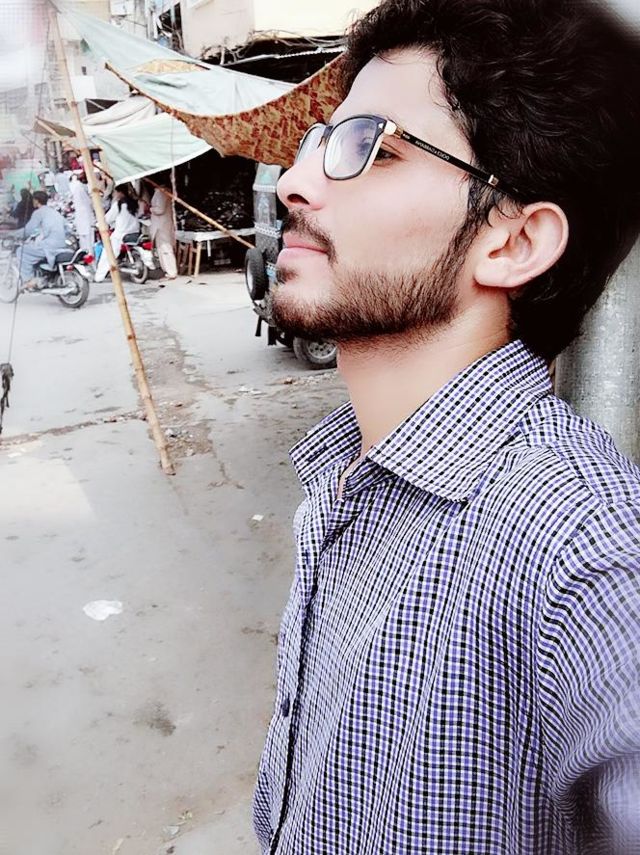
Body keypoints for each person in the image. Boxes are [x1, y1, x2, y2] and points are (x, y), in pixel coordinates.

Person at [253, 1, 640, 853]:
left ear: (512, 243)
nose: (295, 182)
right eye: (321, 141)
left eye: (373, 148)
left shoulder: (583, 543)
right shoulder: (346, 476)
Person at [16, 190, 67, 289]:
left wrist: (12, 234)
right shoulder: (54, 212)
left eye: (33, 200)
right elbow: (65, 227)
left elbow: (28, 230)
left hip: (49, 246)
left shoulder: (38, 213)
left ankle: (29, 280)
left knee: (21, 251)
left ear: (36, 201)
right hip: (61, 244)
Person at [94, 185, 140, 283]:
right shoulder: (134, 203)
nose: (115, 194)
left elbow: (108, 218)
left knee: (107, 253)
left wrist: (98, 224)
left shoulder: (118, 205)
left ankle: (99, 276)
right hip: (135, 231)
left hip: (121, 234)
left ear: (120, 193)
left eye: (116, 192)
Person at [149, 184, 177, 280]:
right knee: (162, 248)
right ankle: (167, 270)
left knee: (165, 248)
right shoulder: (162, 191)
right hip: (162, 224)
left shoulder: (161, 192)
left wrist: (150, 209)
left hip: (161, 224)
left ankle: (171, 272)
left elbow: (160, 210)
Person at [70, 173, 95, 254]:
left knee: (84, 241)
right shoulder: (82, 188)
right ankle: (90, 256)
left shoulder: (78, 187)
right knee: (89, 241)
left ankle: (87, 255)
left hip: (82, 217)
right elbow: (89, 202)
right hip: (86, 217)